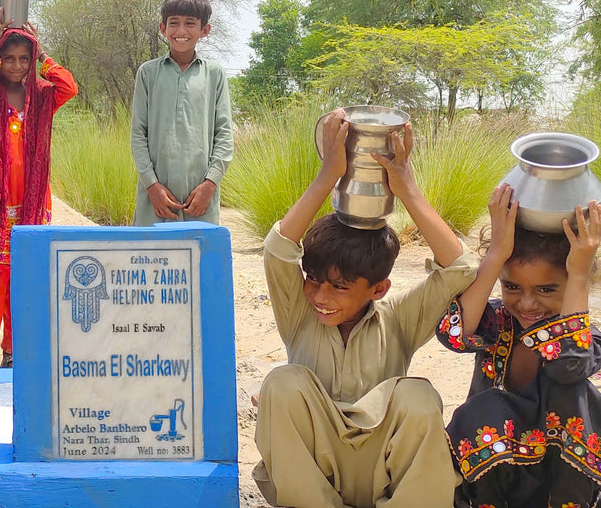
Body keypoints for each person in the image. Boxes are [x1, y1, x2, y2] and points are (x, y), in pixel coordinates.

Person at [251, 109, 478, 508]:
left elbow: (459, 268)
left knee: (418, 396)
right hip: (313, 477)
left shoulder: (399, 320)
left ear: (378, 289)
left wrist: (406, 188)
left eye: (339, 287)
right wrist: (328, 176)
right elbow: (278, 250)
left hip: (381, 475)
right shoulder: (299, 313)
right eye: (314, 280)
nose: (321, 296)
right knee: (282, 383)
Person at [438, 184, 601, 508]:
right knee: (483, 410)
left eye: (545, 289)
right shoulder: (497, 322)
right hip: (496, 480)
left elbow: (570, 365)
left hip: (562, 485)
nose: (526, 303)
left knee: (573, 391)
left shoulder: (586, 338)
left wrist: (579, 273)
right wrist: (497, 252)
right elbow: (454, 336)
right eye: (511, 285)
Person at [0, 6, 77, 368]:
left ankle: (14, 350)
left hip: (30, 202)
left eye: (23, 59)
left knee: (23, 274)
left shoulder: (43, 96)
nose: (15, 66)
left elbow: (69, 86)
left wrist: (43, 53)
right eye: (8, 59)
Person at [130, 0, 233, 226]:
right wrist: (152, 186)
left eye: (190, 23)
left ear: (204, 30)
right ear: (163, 28)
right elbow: (138, 133)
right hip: (155, 198)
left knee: (198, 259)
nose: (181, 31)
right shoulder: (148, 73)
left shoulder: (214, 74)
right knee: (149, 259)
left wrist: (210, 184)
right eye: (174, 23)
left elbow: (224, 134)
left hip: (200, 199)